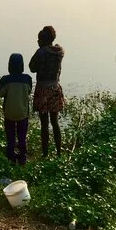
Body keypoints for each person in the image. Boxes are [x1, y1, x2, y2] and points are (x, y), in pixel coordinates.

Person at [29, 25, 65, 157]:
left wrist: (40, 49)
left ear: (43, 40)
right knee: (55, 122)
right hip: (55, 88)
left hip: (43, 89)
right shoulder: (60, 51)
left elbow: (32, 68)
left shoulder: (41, 52)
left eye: (39, 40)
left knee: (44, 124)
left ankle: (45, 154)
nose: (37, 42)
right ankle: (59, 153)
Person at [0, 53, 32, 165]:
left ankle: (11, 156)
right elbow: (29, 91)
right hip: (23, 113)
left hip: (9, 112)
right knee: (22, 136)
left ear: (9, 65)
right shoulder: (27, 79)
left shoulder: (6, 80)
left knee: (10, 136)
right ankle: (22, 157)